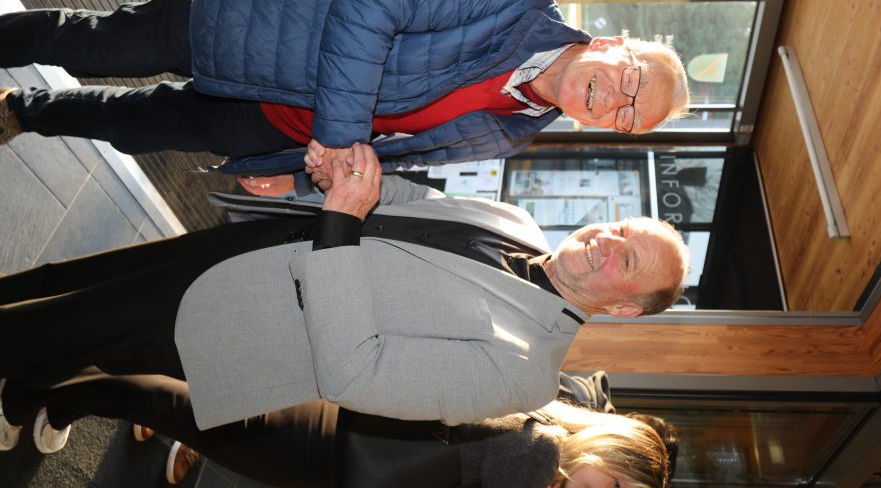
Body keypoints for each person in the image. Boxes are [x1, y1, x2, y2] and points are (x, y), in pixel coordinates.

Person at [0, 144, 689, 432]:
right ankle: (25, 382)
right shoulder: (519, 222)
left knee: (60, 325)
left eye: (626, 258)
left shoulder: (528, 374)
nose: (607, 239)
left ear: (623, 307)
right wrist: (330, 178)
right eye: (620, 226)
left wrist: (338, 224)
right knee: (70, 284)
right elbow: (408, 201)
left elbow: (357, 373)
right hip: (240, 250)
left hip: (239, 319)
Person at [0, 0, 690, 179]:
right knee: (93, 44)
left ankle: (22, 113)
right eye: (632, 81)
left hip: (276, 127)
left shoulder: (514, 132)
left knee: (135, 127)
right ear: (611, 43)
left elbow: (393, 152)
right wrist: (337, 132)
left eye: (628, 117)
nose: (613, 101)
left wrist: (293, 173)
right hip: (263, 28)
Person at [0, 369, 671, 487]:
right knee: (184, 410)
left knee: (192, 409)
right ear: (610, 450)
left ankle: (56, 396)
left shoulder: (545, 422)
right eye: (616, 486)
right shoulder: (541, 456)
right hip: (340, 456)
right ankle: (41, 394)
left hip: (347, 434)